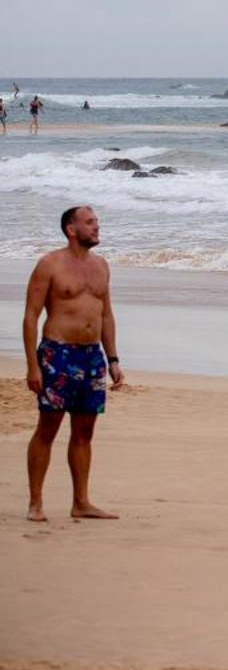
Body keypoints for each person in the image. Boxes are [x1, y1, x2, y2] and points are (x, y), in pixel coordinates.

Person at [23, 206, 124, 522]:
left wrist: (113, 359)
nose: (97, 227)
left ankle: (81, 502)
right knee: (48, 427)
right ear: (71, 229)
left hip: (91, 357)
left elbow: (105, 314)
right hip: (57, 355)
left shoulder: (101, 266)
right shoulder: (49, 265)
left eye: (96, 222)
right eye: (90, 222)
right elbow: (30, 316)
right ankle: (36, 503)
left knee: (84, 431)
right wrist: (32, 365)